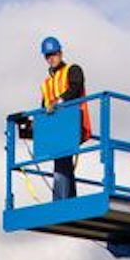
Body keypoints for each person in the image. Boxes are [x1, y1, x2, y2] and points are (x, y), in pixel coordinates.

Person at [39, 35, 92, 200]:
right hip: (55, 129)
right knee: (62, 162)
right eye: (48, 56)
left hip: (72, 124)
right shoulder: (46, 83)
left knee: (63, 161)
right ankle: (68, 199)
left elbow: (76, 88)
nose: (51, 58)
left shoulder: (72, 70)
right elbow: (43, 106)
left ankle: (61, 201)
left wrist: (58, 102)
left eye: (54, 54)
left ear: (60, 53)